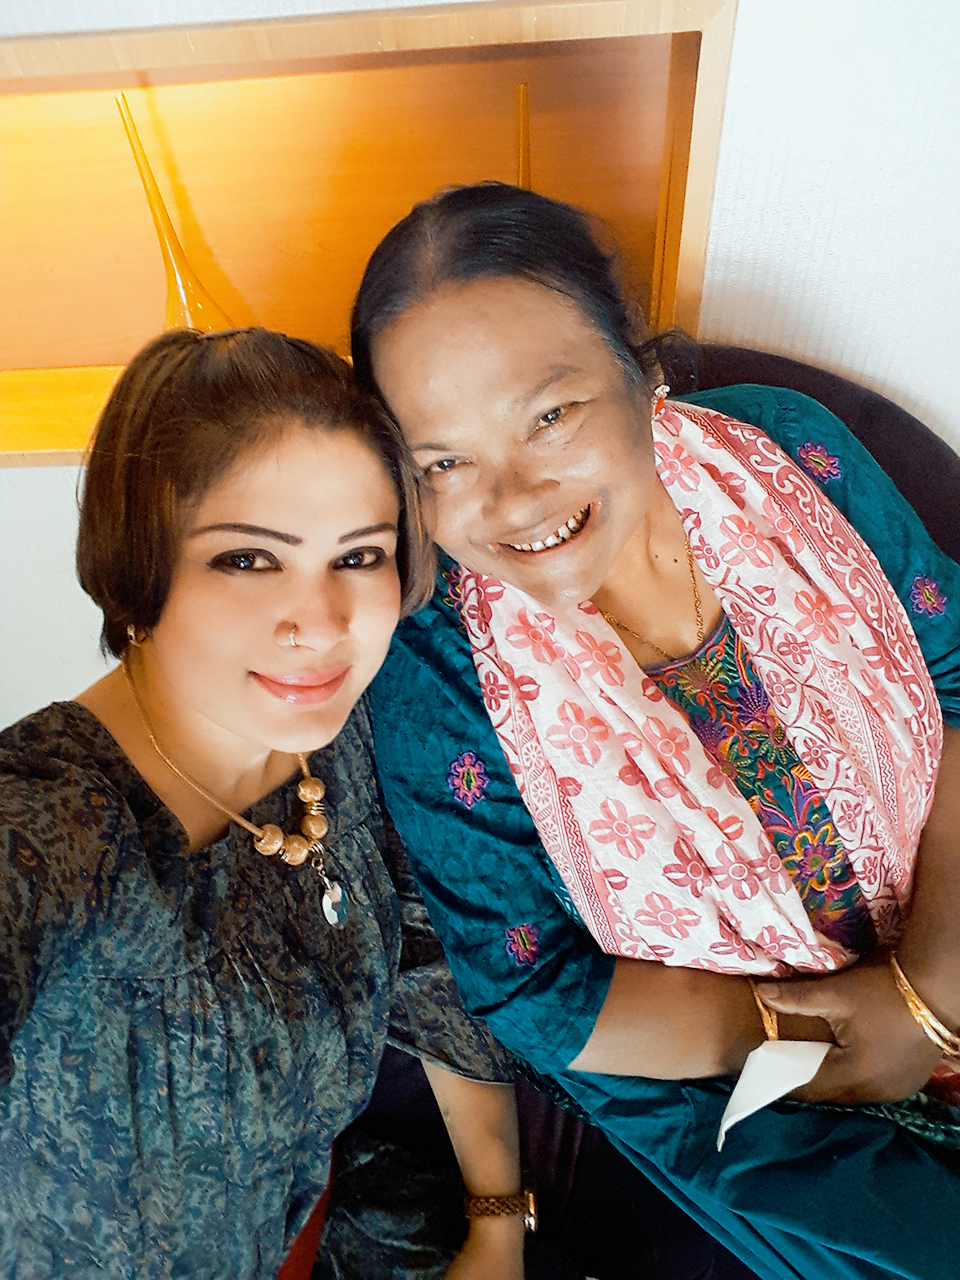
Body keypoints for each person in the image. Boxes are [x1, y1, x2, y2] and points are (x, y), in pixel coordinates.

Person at [352, 183, 960, 1280]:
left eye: (549, 416)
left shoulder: (787, 452)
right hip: (756, 1092)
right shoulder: (436, 667)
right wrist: (829, 1037)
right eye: (443, 462)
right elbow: (537, 992)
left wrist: (929, 991)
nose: (512, 498)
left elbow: (957, 679)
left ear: (637, 363)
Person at [0, 327, 529, 1280]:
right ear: (140, 565)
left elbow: (423, 957)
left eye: (359, 557)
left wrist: (497, 1219)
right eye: (248, 559)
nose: (321, 625)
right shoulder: (45, 831)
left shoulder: (340, 745)